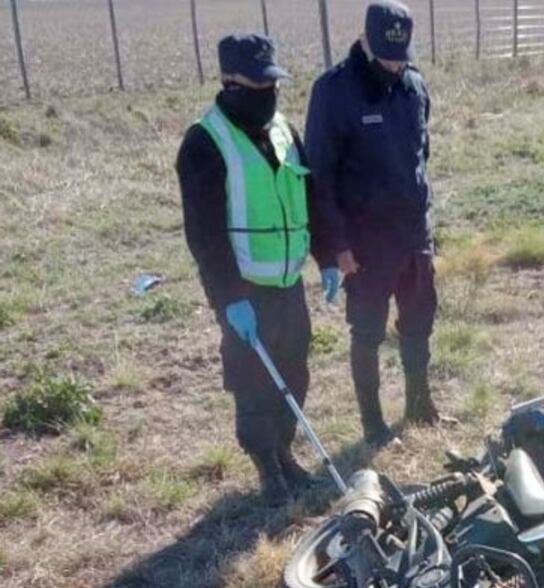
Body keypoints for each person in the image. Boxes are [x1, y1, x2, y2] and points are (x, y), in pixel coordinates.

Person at [176, 34, 339, 506]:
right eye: (257, 84)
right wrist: (230, 299)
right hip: (245, 290)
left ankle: (285, 453)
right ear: (229, 83)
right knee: (253, 383)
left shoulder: (285, 130)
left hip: (289, 283)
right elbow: (204, 235)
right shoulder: (205, 142)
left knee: (294, 373)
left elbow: (311, 198)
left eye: (274, 83)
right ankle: (266, 467)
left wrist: (326, 257)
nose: (268, 93)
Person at [306, 0, 454, 448]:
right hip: (365, 245)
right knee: (367, 331)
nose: (394, 64)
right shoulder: (334, 91)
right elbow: (319, 176)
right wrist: (335, 246)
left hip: (413, 237)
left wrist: (422, 224)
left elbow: (419, 158)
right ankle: (372, 423)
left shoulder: (413, 86)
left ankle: (420, 404)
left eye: (401, 56)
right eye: (387, 55)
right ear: (366, 40)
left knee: (418, 322)